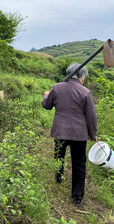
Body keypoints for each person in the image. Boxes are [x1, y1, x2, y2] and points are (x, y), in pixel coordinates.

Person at [41, 62, 97, 206]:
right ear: (81, 77)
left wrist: (46, 96)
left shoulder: (57, 87)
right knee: (79, 164)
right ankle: (77, 196)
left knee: (59, 154)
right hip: (79, 134)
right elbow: (91, 116)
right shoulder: (85, 92)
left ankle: (58, 176)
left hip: (60, 131)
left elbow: (46, 105)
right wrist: (93, 134)